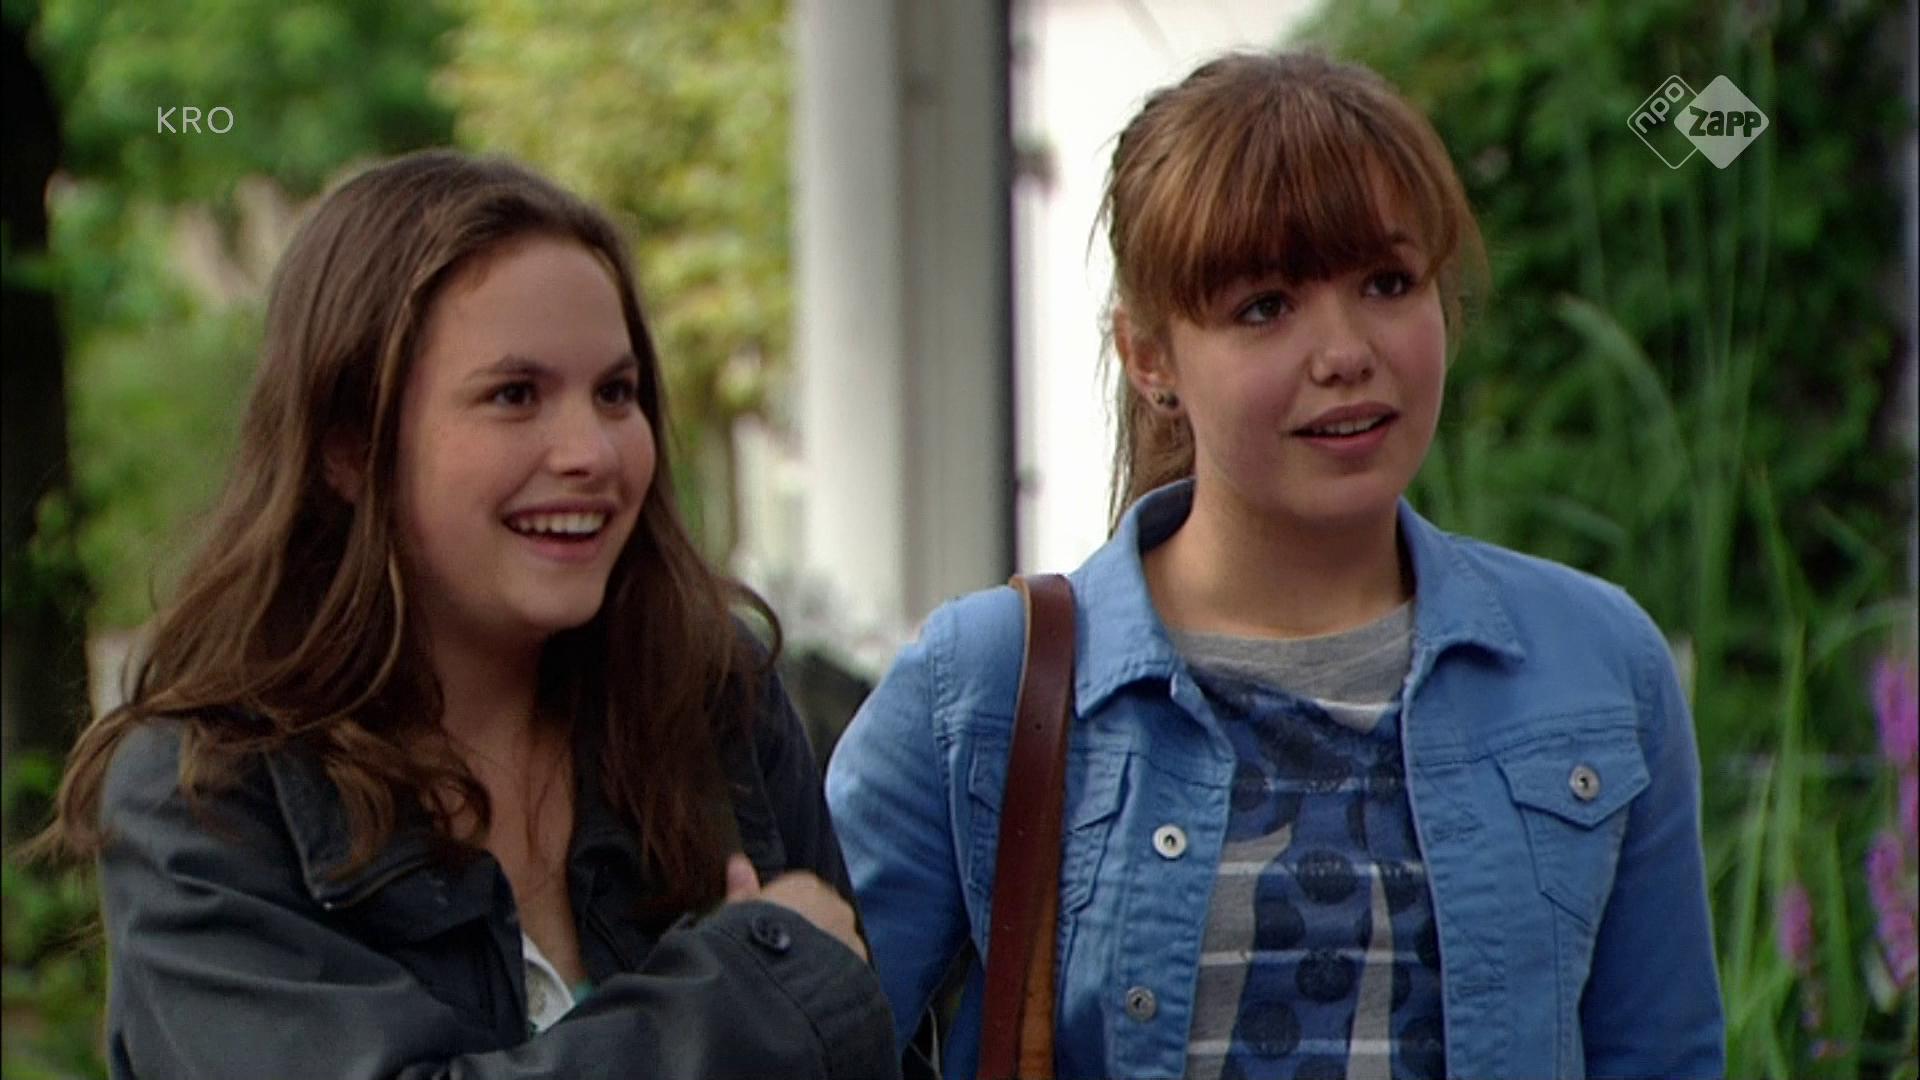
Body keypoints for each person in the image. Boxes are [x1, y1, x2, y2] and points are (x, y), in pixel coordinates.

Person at [826, 50, 1724, 1080]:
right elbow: (807, 1039)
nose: (1344, 352)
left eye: (1387, 283)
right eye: (1265, 306)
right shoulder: (988, 685)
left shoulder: (1595, 666)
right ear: (1150, 357)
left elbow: (1663, 1055)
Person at [30, 150, 897, 1080]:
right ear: (349, 449)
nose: (592, 451)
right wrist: (752, 994)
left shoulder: (711, 699)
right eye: (515, 396)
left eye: (616, 392)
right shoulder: (210, 794)